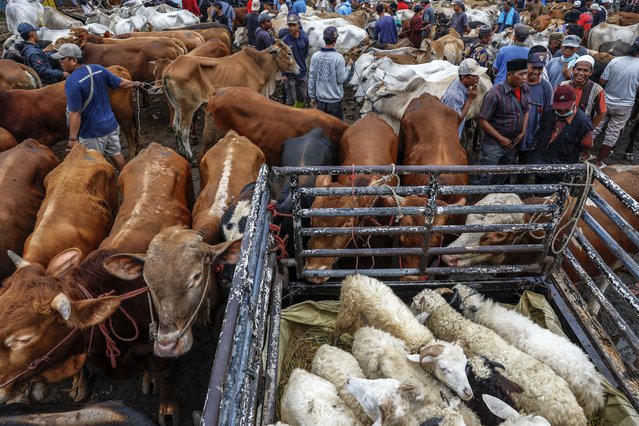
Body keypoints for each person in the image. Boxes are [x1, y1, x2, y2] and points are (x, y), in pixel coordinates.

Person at [53, 44, 141, 171]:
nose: (60, 62)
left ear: (73, 60)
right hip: (111, 125)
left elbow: (75, 113)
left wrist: (72, 139)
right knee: (116, 154)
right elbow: (121, 83)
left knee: (92, 166)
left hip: (92, 132)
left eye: (62, 59)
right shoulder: (98, 69)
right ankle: (125, 178)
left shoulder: (72, 82)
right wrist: (135, 83)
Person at [476, 58, 529, 185]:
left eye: (526, 73)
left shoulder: (525, 89)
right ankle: (479, 201)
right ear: (510, 75)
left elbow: (526, 110)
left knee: (502, 176)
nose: (525, 77)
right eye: (521, 74)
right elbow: (482, 120)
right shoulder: (495, 93)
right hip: (493, 145)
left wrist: (522, 132)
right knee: (485, 177)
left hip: (512, 143)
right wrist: (501, 139)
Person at [591, 37, 639, 169]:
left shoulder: (615, 61)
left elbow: (601, 81)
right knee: (612, 134)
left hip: (606, 101)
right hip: (625, 105)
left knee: (595, 127)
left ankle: (584, 154)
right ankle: (598, 162)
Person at [533, 84, 593, 184]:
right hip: (540, 165)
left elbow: (586, 147)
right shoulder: (549, 112)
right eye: (558, 107)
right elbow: (540, 134)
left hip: (560, 173)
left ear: (574, 100)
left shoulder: (583, 123)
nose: (561, 110)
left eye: (566, 107)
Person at [518, 51, 553, 182]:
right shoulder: (519, 83)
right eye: (533, 67)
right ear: (527, 65)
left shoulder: (546, 87)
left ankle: (519, 193)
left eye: (540, 68)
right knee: (506, 166)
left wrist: (541, 137)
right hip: (513, 136)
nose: (536, 71)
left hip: (532, 136)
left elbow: (548, 113)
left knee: (524, 169)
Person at [308, 26, 354, 120]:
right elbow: (341, 79)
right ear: (335, 40)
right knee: (336, 128)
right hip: (335, 102)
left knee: (321, 126)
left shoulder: (315, 56)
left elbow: (312, 78)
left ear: (324, 39)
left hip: (320, 100)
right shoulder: (338, 58)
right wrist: (348, 66)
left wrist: (312, 97)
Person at [441, 58, 486, 139]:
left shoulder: (460, 83)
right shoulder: (453, 96)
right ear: (464, 78)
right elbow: (455, 121)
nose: (478, 79)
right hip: (449, 138)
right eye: (474, 76)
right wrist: (470, 99)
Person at [281, 14, 309, 108]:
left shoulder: (304, 38)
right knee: (291, 98)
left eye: (294, 25)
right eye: (290, 25)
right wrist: (284, 74)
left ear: (299, 25)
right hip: (290, 74)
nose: (292, 28)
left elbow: (305, 53)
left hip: (302, 72)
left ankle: (298, 113)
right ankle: (289, 117)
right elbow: (282, 59)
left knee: (302, 96)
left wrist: (300, 63)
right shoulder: (285, 41)